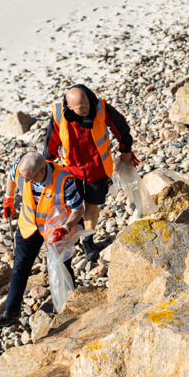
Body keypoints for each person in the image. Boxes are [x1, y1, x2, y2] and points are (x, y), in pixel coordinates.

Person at [43, 84, 137, 261]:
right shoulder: (59, 115)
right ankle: (71, 233)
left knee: (92, 205)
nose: (86, 109)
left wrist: (126, 149)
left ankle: (88, 240)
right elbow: (51, 142)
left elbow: (121, 127)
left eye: (86, 104)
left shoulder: (100, 108)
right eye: (81, 108)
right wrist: (47, 164)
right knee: (74, 206)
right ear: (69, 107)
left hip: (97, 167)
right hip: (72, 169)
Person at [0, 152, 84, 328]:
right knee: (20, 267)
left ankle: (70, 306)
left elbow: (78, 209)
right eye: (24, 178)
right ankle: (11, 312)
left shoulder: (64, 180)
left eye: (29, 179)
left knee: (63, 266)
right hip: (29, 226)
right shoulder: (22, 168)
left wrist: (65, 228)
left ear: (42, 172)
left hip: (56, 229)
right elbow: (12, 177)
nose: (25, 182)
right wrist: (8, 197)